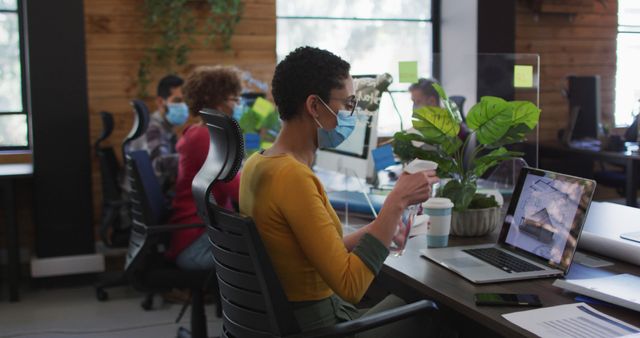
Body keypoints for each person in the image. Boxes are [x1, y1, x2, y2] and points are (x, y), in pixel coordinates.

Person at [239, 46, 440, 337]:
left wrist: (379, 228)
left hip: (293, 321)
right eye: (347, 104)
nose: (352, 114)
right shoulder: (292, 177)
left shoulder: (258, 163)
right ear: (314, 106)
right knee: (434, 310)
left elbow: (312, 248)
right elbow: (350, 286)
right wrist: (397, 201)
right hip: (322, 326)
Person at [165, 66, 243, 270]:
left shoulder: (199, 132)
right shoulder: (204, 138)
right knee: (269, 257)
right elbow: (237, 190)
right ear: (215, 101)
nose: (237, 105)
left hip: (201, 233)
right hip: (196, 243)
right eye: (233, 99)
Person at [131, 75, 186, 198]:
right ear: (161, 102)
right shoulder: (153, 127)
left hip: (153, 191)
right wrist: (195, 158)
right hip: (144, 197)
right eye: (177, 101)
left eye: (185, 101)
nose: (183, 106)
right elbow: (158, 162)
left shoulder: (166, 127)